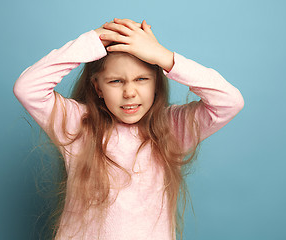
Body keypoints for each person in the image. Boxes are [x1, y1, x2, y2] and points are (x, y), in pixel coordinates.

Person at [13, 18, 244, 240]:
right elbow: (28, 88)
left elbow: (230, 101)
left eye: (142, 79)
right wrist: (95, 41)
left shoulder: (172, 128)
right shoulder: (78, 125)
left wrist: (164, 57)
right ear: (98, 87)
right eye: (116, 81)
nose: (130, 92)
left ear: (156, 82)